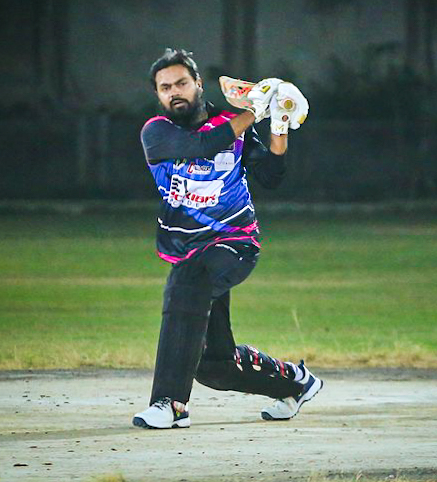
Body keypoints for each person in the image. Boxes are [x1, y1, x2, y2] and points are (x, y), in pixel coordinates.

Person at [133, 48, 322, 429]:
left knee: (185, 282)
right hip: (189, 250)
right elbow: (204, 145)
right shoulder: (157, 132)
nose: (174, 92)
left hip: (235, 242)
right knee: (214, 367)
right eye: (165, 87)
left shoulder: (232, 124)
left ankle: (171, 404)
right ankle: (295, 383)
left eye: (181, 83)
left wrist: (279, 124)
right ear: (158, 95)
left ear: (198, 84)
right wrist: (256, 110)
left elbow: (271, 175)